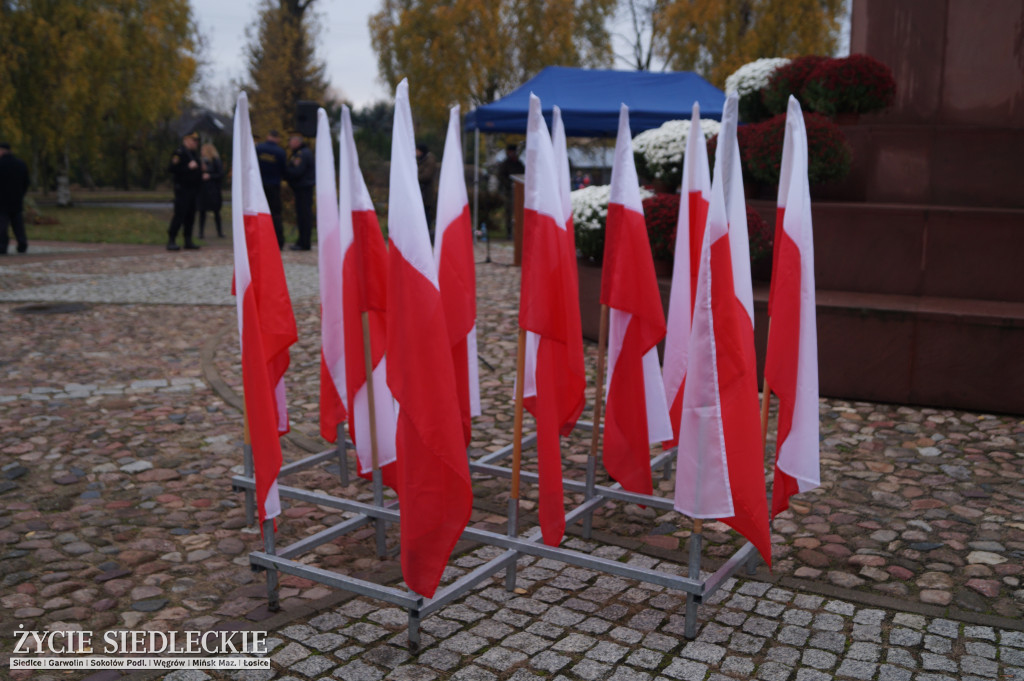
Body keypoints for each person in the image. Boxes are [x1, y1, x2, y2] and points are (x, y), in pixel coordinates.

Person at [166, 132, 202, 251]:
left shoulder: (193, 154)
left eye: (196, 141)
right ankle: (172, 239)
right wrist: (187, 168)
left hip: (193, 189)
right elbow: (171, 168)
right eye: (193, 141)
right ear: (186, 140)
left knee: (190, 215)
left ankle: (188, 239)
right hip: (182, 189)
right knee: (180, 214)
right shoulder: (179, 153)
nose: (195, 143)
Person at [256, 130, 287, 249]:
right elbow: (284, 170)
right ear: (277, 138)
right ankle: (279, 241)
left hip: (260, 186)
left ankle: (261, 240)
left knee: (260, 212)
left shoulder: (258, 148)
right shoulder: (280, 152)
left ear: (268, 136)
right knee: (276, 214)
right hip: (274, 186)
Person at [285, 132, 315, 251]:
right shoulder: (300, 153)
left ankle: (304, 242)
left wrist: (285, 173)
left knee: (304, 216)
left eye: (291, 141)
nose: (289, 143)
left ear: (297, 142)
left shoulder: (302, 154)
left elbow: (297, 171)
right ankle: (302, 241)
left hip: (304, 188)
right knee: (302, 215)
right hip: (302, 188)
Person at [0, 143, 30, 255]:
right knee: (18, 224)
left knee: (2, 225)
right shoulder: (20, 164)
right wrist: (20, 194)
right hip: (17, 199)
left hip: (2, 201)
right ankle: (22, 244)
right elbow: (26, 182)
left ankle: (2, 247)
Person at [497, 144, 524, 239]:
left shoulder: (518, 163)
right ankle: (509, 232)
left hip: (519, 191)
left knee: (519, 212)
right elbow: (501, 176)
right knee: (509, 212)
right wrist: (509, 184)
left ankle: (519, 231)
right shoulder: (505, 164)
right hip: (509, 191)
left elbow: (523, 174)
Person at [198, 143, 224, 239]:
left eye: (203, 150)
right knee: (202, 212)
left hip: (213, 191)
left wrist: (210, 176)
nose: (201, 152)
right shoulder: (201, 161)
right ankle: (201, 232)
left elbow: (220, 174)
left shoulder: (216, 161)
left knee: (216, 212)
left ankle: (220, 232)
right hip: (203, 191)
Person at [415, 143, 439, 237]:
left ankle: (427, 234)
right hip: (422, 192)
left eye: (417, 151)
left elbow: (427, 176)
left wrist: (414, 178)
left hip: (426, 193)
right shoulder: (423, 160)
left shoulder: (429, 160)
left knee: (426, 213)